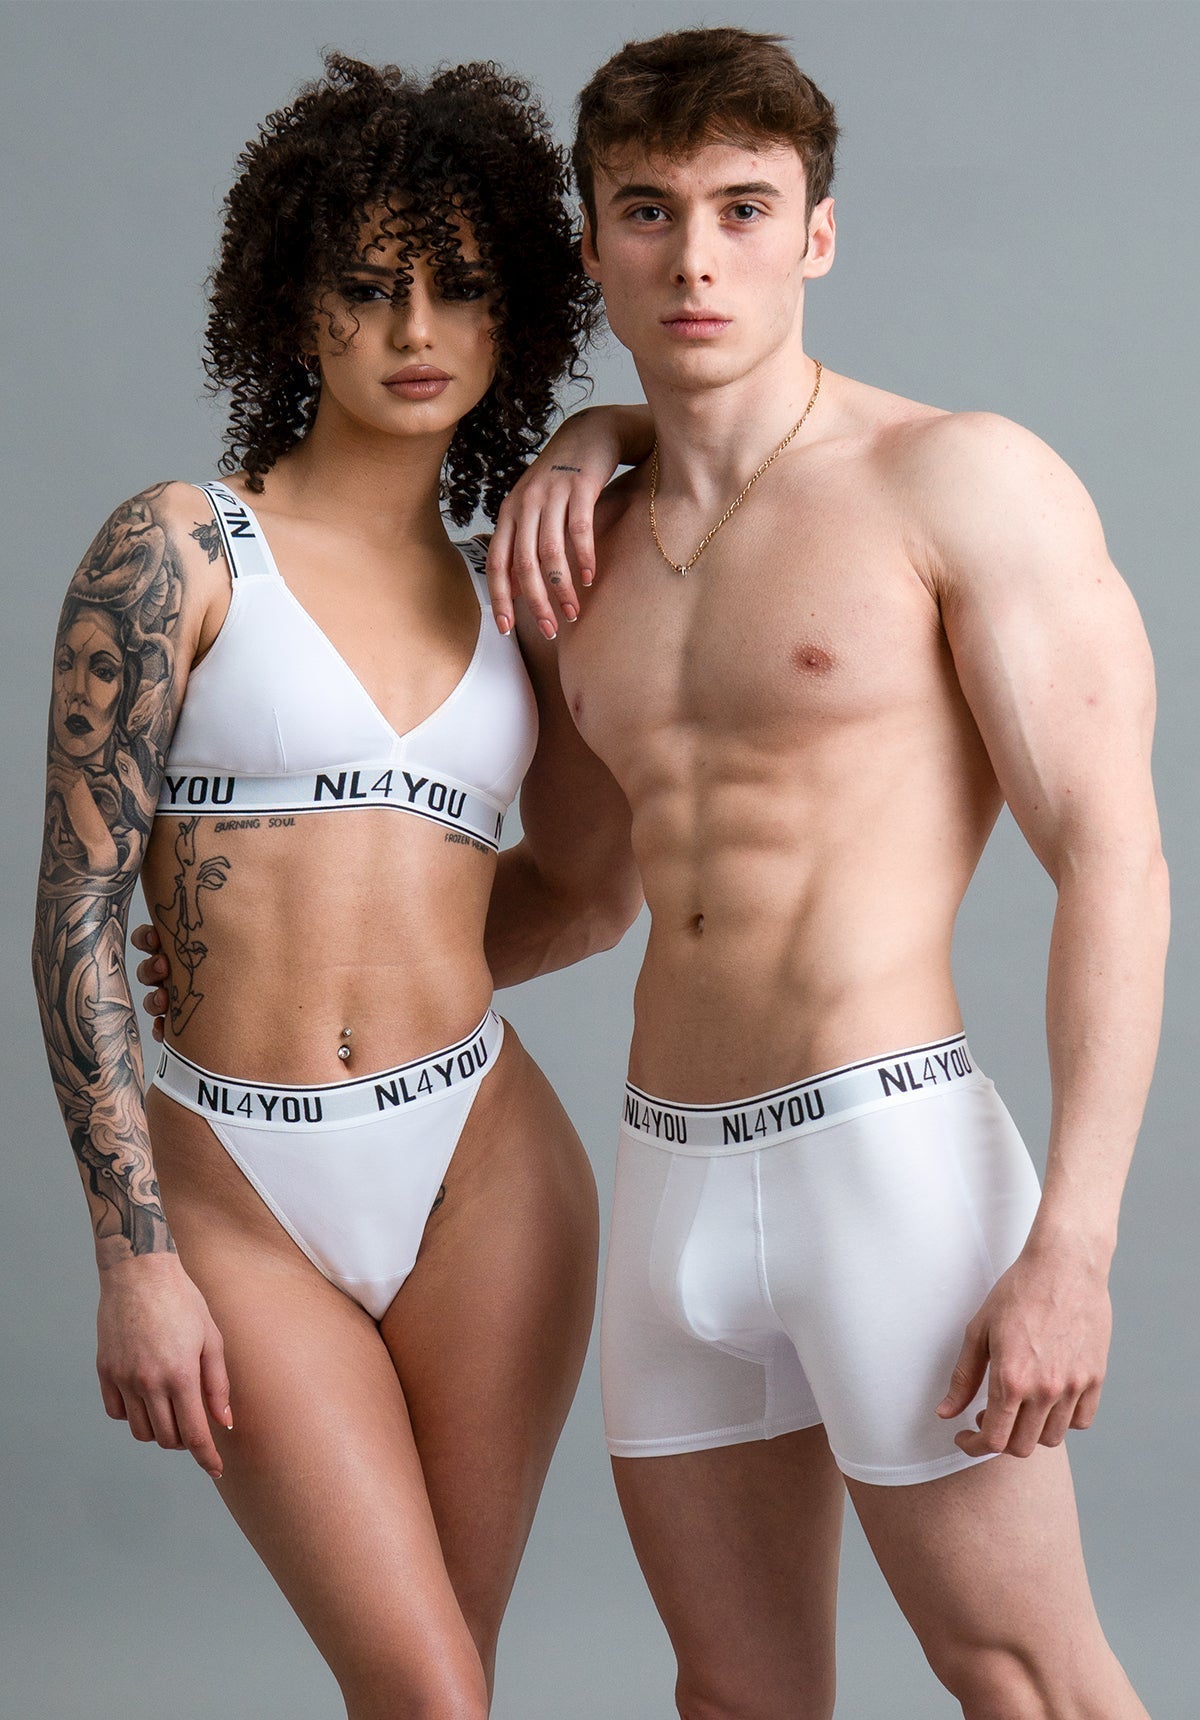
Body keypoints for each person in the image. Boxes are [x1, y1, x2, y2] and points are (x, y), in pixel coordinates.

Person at [483, 26, 1166, 1719]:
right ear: (594, 245)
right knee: (734, 1697)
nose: (695, 258)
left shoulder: (958, 481)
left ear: (819, 233)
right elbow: (577, 893)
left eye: (743, 206)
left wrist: (1074, 1247)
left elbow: (1115, 860)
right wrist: (299, 975)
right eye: (648, 212)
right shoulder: (581, 550)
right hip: (668, 1177)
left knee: (1024, 1679)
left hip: (889, 1166)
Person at [33, 54, 641, 1720]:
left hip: (483, 1170)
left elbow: (591, 894)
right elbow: (75, 911)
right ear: (296, 308)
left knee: (446, 1693)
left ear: (516, 318)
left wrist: (601, 435)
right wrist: (131, 1259)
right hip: (233, 1182)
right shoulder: (179, 549)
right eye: (370, 287)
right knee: (424, 1686)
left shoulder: (523, 597)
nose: (415, 328)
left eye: (462, 287)